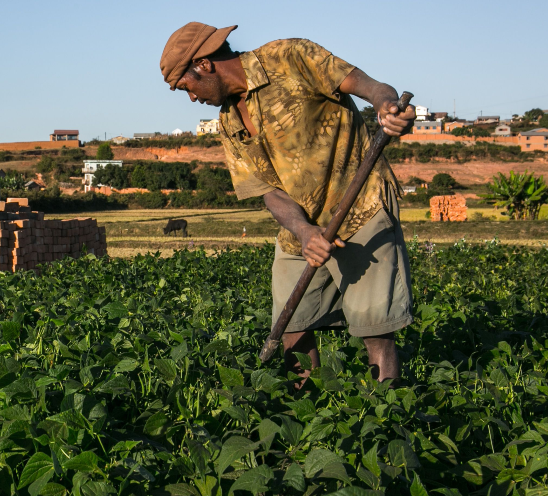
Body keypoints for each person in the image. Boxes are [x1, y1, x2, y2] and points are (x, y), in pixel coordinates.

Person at [160, 22, 415, 383]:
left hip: (360, 211)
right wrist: (303, 230)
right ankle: (306, 421)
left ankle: (383, 418)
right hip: (300, 231)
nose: (191, 98)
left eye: (185, 86)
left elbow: (368, 85)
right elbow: (268, 191)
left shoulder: (289, 57)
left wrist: (387, 106)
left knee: (375, 332)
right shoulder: (229, 122)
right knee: (293, 330)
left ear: (203, 64)